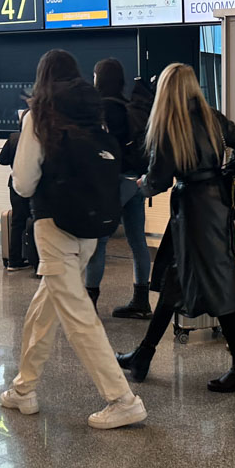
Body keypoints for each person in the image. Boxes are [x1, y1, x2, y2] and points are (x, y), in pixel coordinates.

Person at [0, 49, 147, 430]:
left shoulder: (40, 116)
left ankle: (122, 398)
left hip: (54, 224)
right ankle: (23, 388)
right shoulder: (92, 113)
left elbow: (26, 181)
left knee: (78, 316)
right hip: (89, 227)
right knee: (44, 308)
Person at [115, 63, 235, 393]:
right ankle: (144, 354)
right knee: (176, 280)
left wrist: (143, 185)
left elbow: (159, 179)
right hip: (213, 206)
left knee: (216, 280)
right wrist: (228, 171)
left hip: (193, 210)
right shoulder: (210, 116)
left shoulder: (170, 126)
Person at [83, 57, 152, 318]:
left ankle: (89, 303)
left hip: (112, 183)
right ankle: (141, 301)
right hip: (136, 182)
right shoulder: (130, 106)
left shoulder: (101, 109)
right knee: (137, 242)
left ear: (99, 79)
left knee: (99, 242)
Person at [0, 115, 33, 273]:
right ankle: (36, 259)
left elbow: (1, 160)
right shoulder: (40, 139)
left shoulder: (13, 138)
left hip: (15, 183)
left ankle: (14, 260)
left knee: (17, 223)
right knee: (36, 221)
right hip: (34, 184)